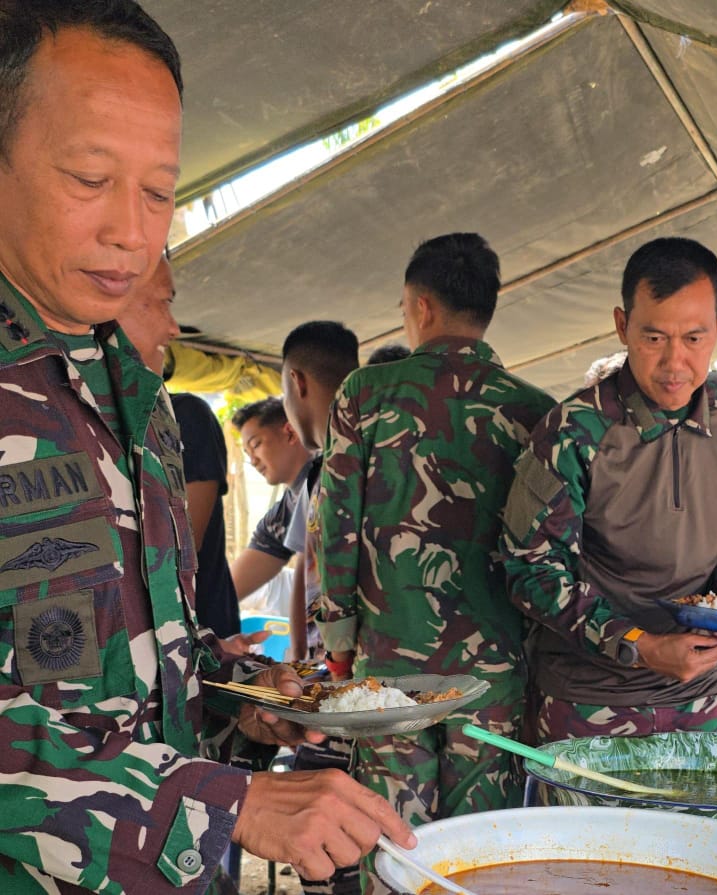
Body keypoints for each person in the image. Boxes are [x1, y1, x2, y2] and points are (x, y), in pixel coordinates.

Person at [0, 4, 413, 892]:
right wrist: (226, 807)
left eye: (159, 191)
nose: (132, 231)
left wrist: (249, 706)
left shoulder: (133, 392)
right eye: (88, 176)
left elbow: (128, 661)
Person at [314, 233, 555, 883]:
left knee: (390, 843)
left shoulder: (366, 392)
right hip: (494, 676)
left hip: (389, 672)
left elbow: (334, 524)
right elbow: (548, 552)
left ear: (421, 306)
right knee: (482, 849)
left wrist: (338, 645)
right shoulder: (535, 410)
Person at [501, 236, 717, 744]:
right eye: (654, 338)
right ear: (622, 325)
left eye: (694, 339)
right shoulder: (573, 431)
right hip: (586, 706)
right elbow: (532, 572)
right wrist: (638, 642)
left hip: (697, 706)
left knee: (692, 827)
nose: (675, 363)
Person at [117, 256, 240, 637]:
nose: (173, 328)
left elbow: (183, 545)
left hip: (200, 642)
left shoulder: (188, 417)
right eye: (163, 302)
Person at [279, 321, 360, 895]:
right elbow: (303, 573)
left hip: (349, 699)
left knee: (332, 857)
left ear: (296, 381)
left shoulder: (336, 465)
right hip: (344, 692)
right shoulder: (341, 462)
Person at [229, 397, 314, 599]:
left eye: (256, 444)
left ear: (290, 433)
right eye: (248, 453)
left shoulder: (332, 484)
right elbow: (230, 589)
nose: (253, 461)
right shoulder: (283, 513)